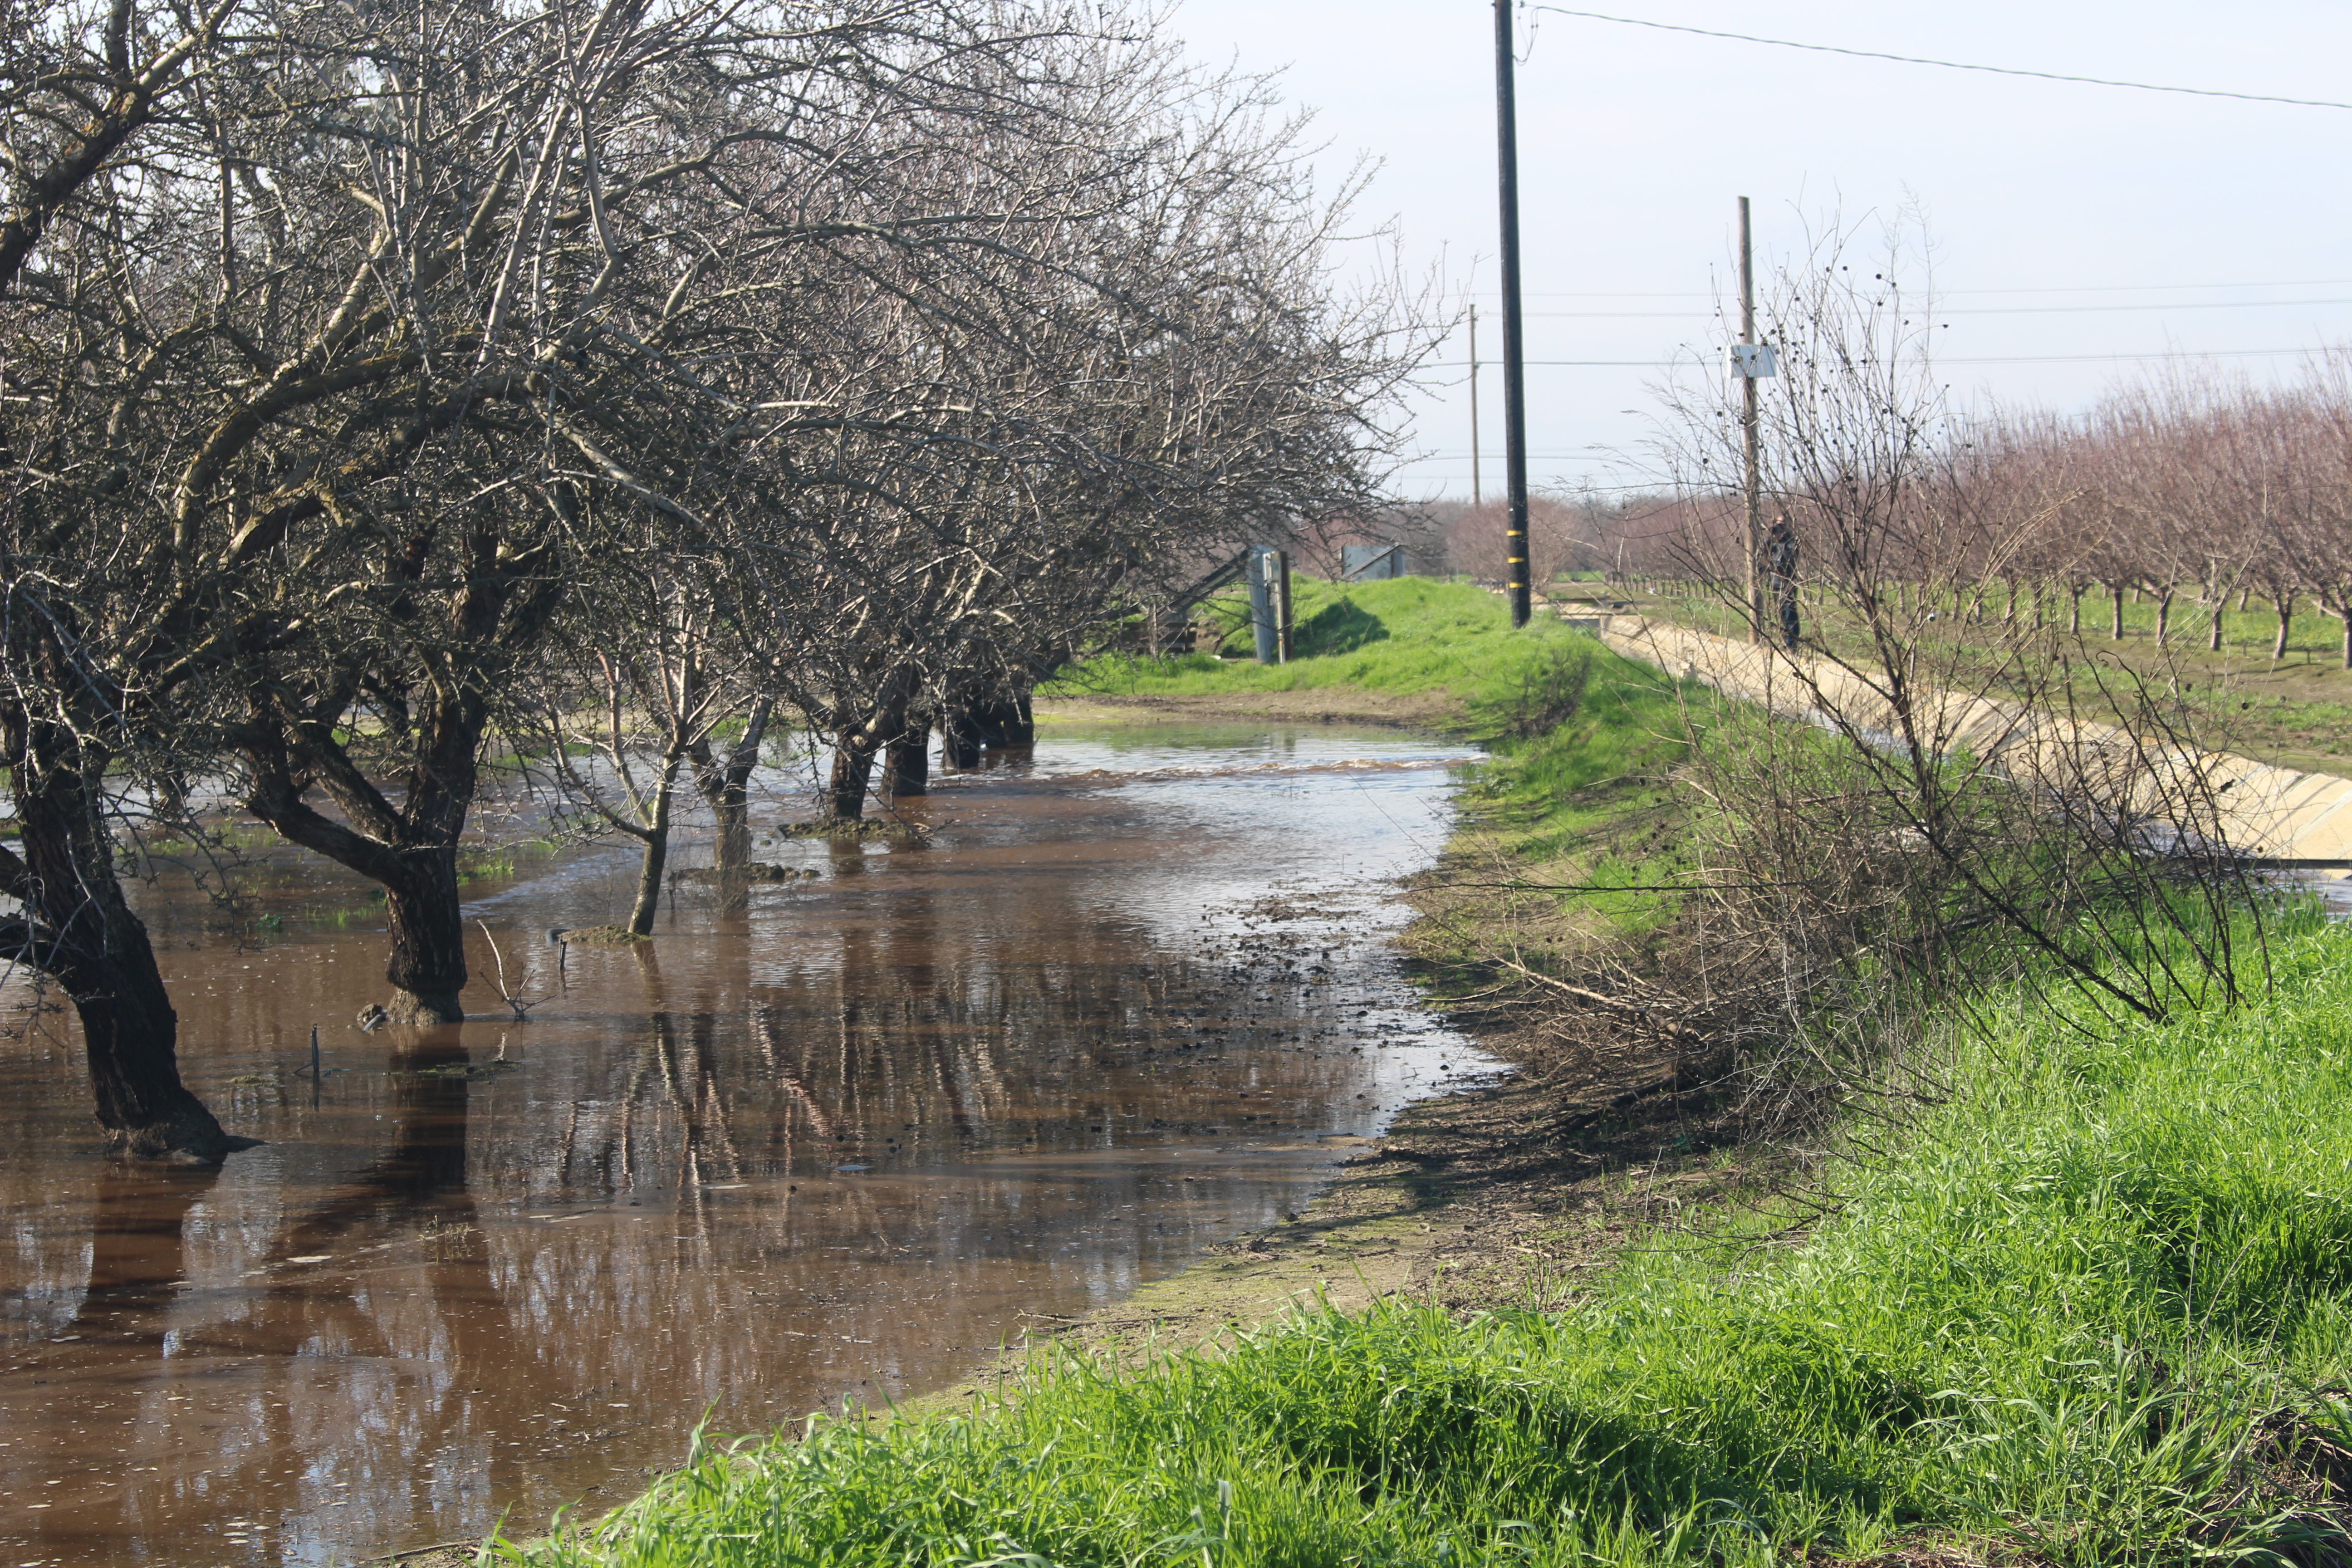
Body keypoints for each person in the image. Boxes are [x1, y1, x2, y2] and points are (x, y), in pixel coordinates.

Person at [1764, 514, 1800, 650]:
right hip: (1775, 582)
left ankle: (1793, 644)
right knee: (1781, 613)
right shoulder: (1773, 542)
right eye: (1778, 524)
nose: (1780, 527)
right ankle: (1787, 642)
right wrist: (1770, 540)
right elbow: (1763, 555)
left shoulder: (1791, 542)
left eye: (1783, 524)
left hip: (1787, 582)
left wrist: (1781, 539)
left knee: (1790, 613)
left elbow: (1787, 561)